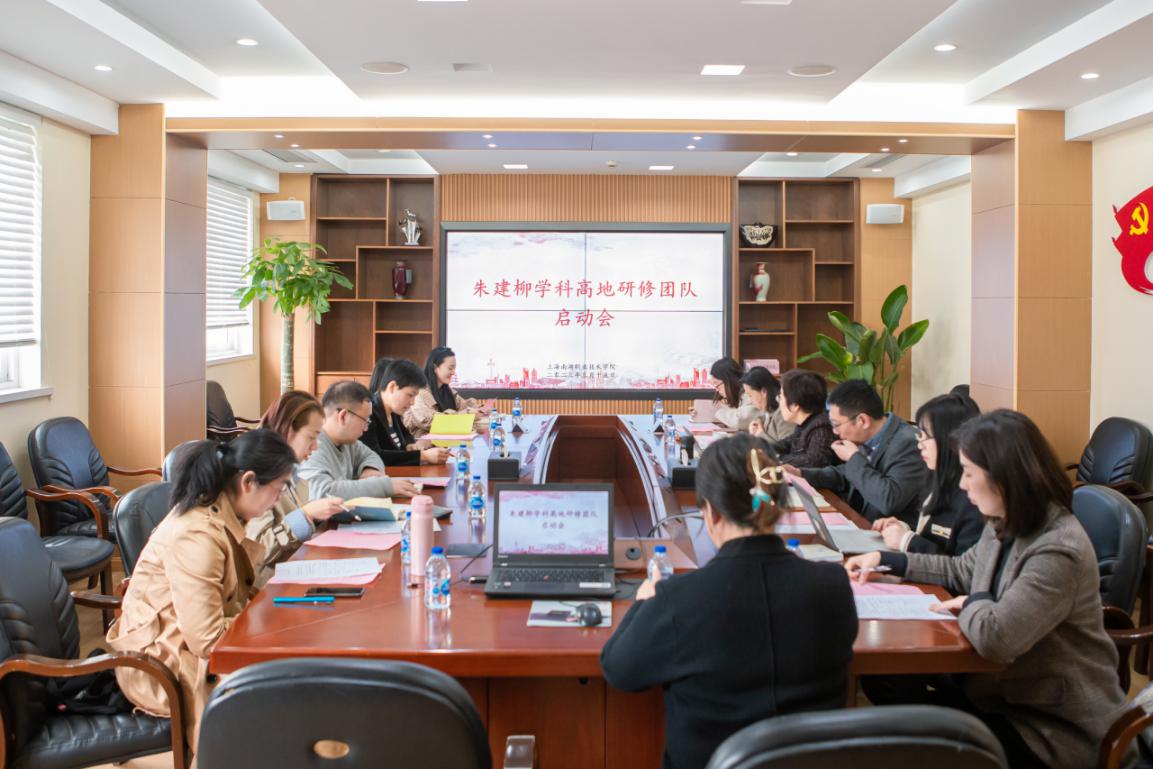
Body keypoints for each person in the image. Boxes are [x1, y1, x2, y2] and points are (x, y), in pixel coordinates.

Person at [845, 410, 1133, 769]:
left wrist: (975, 601)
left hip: (1052, 727)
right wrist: (889, 561)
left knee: (902, 741)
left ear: (1003, 478)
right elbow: (962, 569)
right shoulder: (1006, 520)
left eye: (968, 472)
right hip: (999, 695)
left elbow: (996, 638)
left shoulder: (1059, 548)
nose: (962, 484)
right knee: (889, 707)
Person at [601, 432, 857, 769]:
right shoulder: (833, 586)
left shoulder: (679, 598)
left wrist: (646, 601)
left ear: (710, 513)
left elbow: (620, 670)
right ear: (777, 503)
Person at [106, 430, 298, 757]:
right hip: (161, 665)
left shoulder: (219, 513)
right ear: (248, 482)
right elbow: (206, 640)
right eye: (278, 489)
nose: (278, 499)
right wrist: (272, 626)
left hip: (181, 643)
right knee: (291, 687)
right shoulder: (198, 535)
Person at [785, 379, 927, 525]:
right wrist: (801, 474)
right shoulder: (871, 436)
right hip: (859, 522)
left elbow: (889, 499)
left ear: (862, 421)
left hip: (887, 532)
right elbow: (847, 474)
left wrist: (853, 457)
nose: (834, 431)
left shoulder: (909, 443)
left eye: (836, 424)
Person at [245, 390, 347, 585]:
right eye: (311, 437)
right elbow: (258, 551)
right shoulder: (259, 475)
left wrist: (316, 516)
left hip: (295, 573)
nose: (315, 447)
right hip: (267, 588)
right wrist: (306, 515)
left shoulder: (293, 472)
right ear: (288, 430)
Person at [870, 392, 983, 555]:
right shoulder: (937, 477)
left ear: (950, 440)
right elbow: (934, 535)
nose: (920, 445)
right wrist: (904, 529)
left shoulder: (973, 498)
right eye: (919, 435)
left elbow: (961, 566)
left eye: (926, 436)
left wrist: (907, 540)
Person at [298, 380, 421, 500]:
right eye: (365, 420)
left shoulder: (348, 442)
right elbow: (322, 492)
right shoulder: (312, 446)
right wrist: (383, 486)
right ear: (343, 416)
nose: (366, 428)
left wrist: (370, 469)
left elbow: (371, 455)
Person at [363, 357, 450, 466]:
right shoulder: (368, 412)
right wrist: (423, 456)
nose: (412, 402)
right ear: (392, 387)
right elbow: (374, 455)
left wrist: (410, 446)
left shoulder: (393, 411)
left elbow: (406, 436)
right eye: (410, 395)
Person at [404, 346, 489, 439]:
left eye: (454, 368)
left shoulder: (447, 391)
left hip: (447, 442)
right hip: (425, 445)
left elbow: (464, 405)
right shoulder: (419, 393)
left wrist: (480, 409)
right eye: (450, 368)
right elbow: (429, 422)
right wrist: (466, 415)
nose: (453, 372)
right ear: (435, 367)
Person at [761, 368, 836, 468]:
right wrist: (761, 449)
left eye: (781, 397)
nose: (779, 402)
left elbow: (813, 461)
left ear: (795, 405)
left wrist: (776, 458)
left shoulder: (822, 428)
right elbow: (787, 443)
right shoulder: (806, 423)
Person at [692, 357, 759, 430]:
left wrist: (715, 409)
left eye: (717, 384)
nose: (717, 389)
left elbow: (739, 422)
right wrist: (699, 412)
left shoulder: (750, 394)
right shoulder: (735, 394)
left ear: (729, 381)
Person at [740, 365, 795, 442]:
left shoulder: (783, 414)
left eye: (750, 395)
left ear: (764, 392)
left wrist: (760, 434)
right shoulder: (767, 412)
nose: (750, 400)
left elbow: (786, 448)